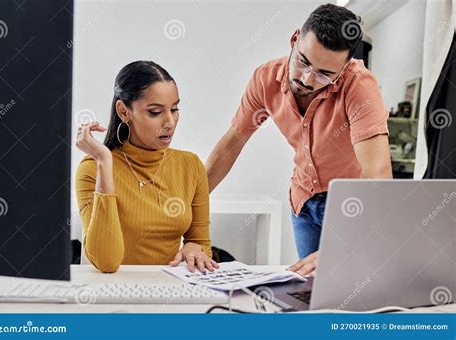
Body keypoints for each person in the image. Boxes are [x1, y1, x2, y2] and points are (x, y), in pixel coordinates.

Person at [205, 4, 392, 276]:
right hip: (303, 202)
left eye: (324, 74)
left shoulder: (358, 86)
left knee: (347, 289)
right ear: (295, 39)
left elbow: (378, 176)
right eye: (303, 61)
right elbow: (233, 142)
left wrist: (343, 245)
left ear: (342, 70)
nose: (306, 79)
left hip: (350, 209)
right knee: (310, 293)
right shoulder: (266, 80)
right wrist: (189, 204)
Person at [75, 61, 219, 273]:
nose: (170, 122)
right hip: (110, 292)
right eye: (155, 112)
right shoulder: (92, 169)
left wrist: (193, 247)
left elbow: (200, 244)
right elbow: (106, 263)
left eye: (175, 109)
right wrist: (104, 161)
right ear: (124, 112)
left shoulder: (191, 166)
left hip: (167, 290)